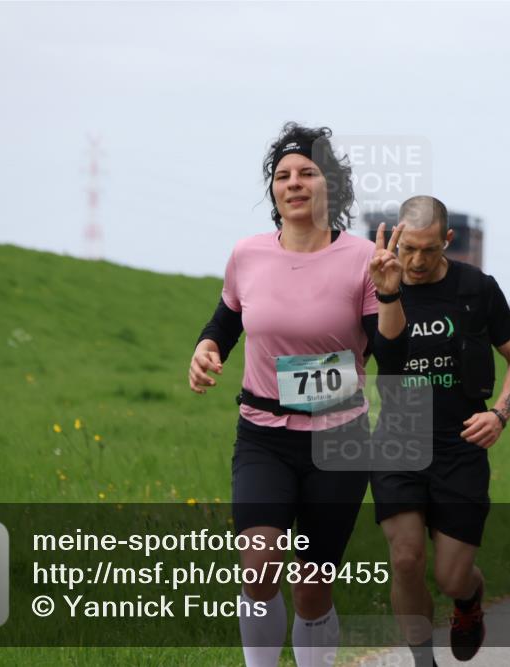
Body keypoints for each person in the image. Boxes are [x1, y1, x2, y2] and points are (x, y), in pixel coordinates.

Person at [189, 122, 408, 667]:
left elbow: (391, 353)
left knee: (312, 584)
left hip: (339, 436)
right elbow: (226, 320)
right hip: (263, 435)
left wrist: (388, 294)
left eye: (307, 173)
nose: (294, 183)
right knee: (259, 564)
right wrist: (206, 348)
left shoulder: (362, 258)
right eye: (283, 175)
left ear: (329, 185)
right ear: (273, 190)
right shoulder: (247, 255)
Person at [370, 196, 510, 666]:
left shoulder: (476, 289)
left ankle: (469, 600)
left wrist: (499, 414)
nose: (417, 262)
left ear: (448, 240)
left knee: (450, 577)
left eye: (428, 250)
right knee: (405, 559)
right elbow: (350, 357)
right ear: (394, 238)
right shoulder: (374, 284)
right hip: (398, 439)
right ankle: (424, 660)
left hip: (460, 444)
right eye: (408, 249)